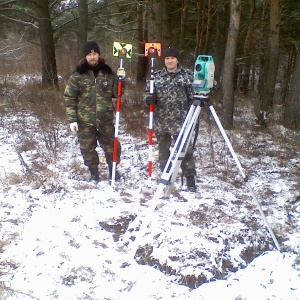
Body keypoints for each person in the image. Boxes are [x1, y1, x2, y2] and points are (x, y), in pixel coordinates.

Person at [64, 41, 123, 182]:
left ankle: (113, 169)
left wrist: (121, 79)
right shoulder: (78, 75)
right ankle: (94, 172)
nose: (92, 57)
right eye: (89, 54)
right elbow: (69, 97)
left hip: (105, 119)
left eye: (95, 54)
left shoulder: (108, 73)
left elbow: (117, 93)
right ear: (85, 57)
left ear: (98, 55)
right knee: (87, 149)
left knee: (113, 147)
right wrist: (72, 119)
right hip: (85, 121)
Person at [145, 47, 197, 191]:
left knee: (185, 151)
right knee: (163, 152)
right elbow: (148, 94)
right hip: (162, 121)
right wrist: (149, 99)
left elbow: (194, 96)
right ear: (164, 60)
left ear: (177, 59)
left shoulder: (187, 76)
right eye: (167, 58)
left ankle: (190, 178)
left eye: (172, 58)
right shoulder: (156, 76)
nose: (170, 61)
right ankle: (165, 176)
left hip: (182, 121)